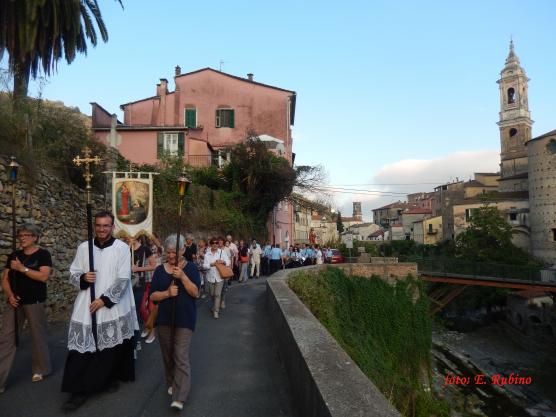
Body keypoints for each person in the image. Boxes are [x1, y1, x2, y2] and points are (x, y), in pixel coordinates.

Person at [61, 211, 137, 412]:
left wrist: (103, 300)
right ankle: (77, 391)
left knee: (108, 349)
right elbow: (73, 272)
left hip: (110, 304)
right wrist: (84, 278)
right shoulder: (84, 248)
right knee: (82, 347)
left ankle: (106, 379)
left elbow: (123, 278)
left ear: (113, 227)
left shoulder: (121, 248)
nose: (102, 229)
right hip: (86, 301)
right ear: (94, 226)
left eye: (106, 225)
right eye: (99, 225)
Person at [149, 234, 200, 411]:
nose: (171, 256)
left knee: (180, 356)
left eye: (174, 252)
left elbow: (195, 293)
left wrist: (183, 277)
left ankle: (180, 397)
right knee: (168, 355)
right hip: (164, 320)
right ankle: (171, 381)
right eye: (168, 252)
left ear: (183, 250)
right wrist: (167, 294)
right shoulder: (159, 270)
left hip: (185, 319)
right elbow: (153, 296)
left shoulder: (191, 268)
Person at [0, 224, 52, 393]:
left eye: (26, 235)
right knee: (7, 338)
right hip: (15, 302)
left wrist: (22, 268)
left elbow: (43, 276)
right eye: (20, 235)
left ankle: (40, 369)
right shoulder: (14, 256)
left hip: (34, 301)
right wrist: (9, 295)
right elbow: (5, 279)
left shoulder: (43, 255)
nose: (22, 238)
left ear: (35, 237)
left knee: (38, 336)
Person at [129, 235, 156, 352]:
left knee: (141, 309)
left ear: (136, 237)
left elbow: (153, 265)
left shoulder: (145, 249)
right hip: (127, 285)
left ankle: (151, 331)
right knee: (132, 312)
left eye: (130, 236)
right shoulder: (125, 249)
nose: (128, 239)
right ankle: (138, 335)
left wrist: (137, 269)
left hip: (140, 284)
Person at [203, 239, 230, 319]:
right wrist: (212, 264)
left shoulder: (222, 252)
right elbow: (205, 265)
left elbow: (228, 261)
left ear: (218, 244)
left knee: (217, 294)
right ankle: (215, 306)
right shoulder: (207, 254)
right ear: (210, 244)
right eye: (213, 243)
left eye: (216, 243)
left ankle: (216, 311)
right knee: (212, 294)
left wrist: (223, 262)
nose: (215, 244)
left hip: (219, 277)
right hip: (210, 277)